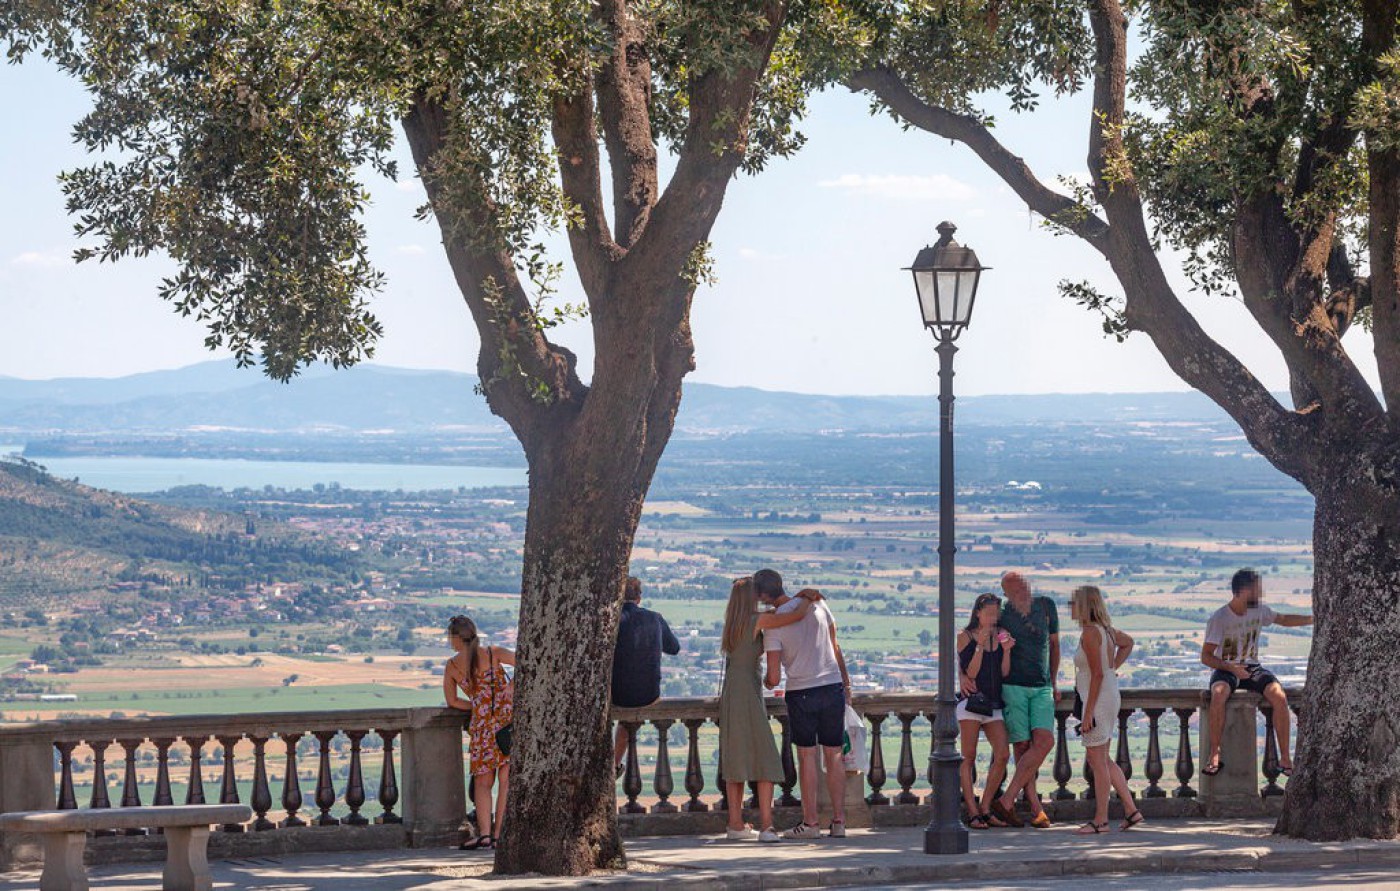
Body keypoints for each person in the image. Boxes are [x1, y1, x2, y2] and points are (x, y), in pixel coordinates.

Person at [717, 577, 819, 842]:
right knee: (766, 758)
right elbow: (794, 616)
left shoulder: (733, 623)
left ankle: (735, 824)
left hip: (732, 693)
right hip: (747, 693)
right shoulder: (756, 621)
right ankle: (766, 826)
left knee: (736, 759)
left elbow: (776, 612)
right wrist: (806, 598)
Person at [757, 568, 852, 840]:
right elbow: (835, 646)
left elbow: (774, 677)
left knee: (807, 756)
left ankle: (811, 823)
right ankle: (839, 821)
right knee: (834, 754)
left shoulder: (773, 625)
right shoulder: (817, 604)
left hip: (802, 692)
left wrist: (766, 681)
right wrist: (846, 685)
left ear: (763, 596)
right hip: (832, 686)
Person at [1200, 568, 1313, 777]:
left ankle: (1285, 758)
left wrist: (1312, 619)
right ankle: (1214, 753)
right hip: (1226, 667)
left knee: (1279, 696)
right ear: (1244, 591)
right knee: (1218, 694)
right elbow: (1206, 656)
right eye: (1257, 589)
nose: (1260, 594)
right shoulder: (1220, 618)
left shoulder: (1259, 611)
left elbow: (1283, 619)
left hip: (1252, 667)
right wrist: (1232, 668)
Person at [988, 571, 1060, 829]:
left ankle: (1007, 799)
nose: (1023, 592)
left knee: (1045, 741)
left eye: (1024, 586)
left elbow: (1054, 645)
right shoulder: (1002, 613)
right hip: (1013, 686)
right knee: (1021, 747)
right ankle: (1035, 807)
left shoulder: (1046, 606)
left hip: (1042, 686)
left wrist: (1054, 681)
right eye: (1016, 589)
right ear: (1006, 594)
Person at [1070, 585, 1143, 834]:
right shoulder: (1107, 630)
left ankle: (1101, 820)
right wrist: (1113, 667)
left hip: (1098, 698)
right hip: (1108, 695)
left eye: (1073, 603)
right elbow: (1128, 643)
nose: (1070, 607)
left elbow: (1097, 674)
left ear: (1084, 605)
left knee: (1097, 761)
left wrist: (1088, 712)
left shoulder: (1091, 632)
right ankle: (1131, 810)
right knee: (1102, 758)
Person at [442, 614, 515, 850]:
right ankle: (499, 834)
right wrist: (511, 687)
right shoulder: (494, 653)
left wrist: (477, 705)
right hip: (507, 723)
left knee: (483, 783)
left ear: (455, 638)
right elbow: (528, 664)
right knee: (506, 780)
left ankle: (484, 835)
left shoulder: (452, 666)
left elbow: (453, 701)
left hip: (482, 727)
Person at [612, 576, 682, 774]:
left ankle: (613, 765)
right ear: (639, 598)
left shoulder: (613, 620)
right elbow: (674, 648)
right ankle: (614, 764)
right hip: (649, 693)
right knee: (629, 719)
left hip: (618, 693)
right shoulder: (655, 618)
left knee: (625, 714)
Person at [955, 593, 1013, 829]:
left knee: (1003, 754)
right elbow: (970, 673)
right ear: (978, 613)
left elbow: (1004, 673)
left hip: (993, 703)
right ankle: (972, 811)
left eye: (996, 613)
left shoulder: (1001, 634)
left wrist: (1006, 650)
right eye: (988, 613)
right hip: (971, 702)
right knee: (968, 756)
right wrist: (980, 644)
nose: (992, 618)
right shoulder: (964, 636)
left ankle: (986, 806)